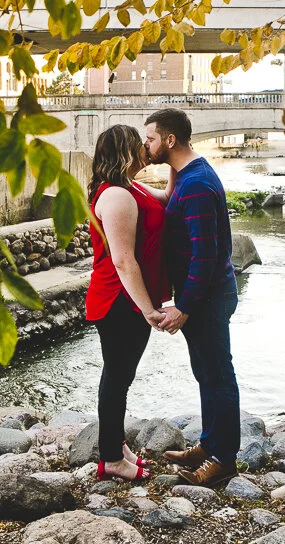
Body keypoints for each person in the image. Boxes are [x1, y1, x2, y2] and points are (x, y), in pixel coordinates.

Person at [143, 108, 241, 487]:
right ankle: (209, 444)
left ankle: (225, 459)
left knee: (218, 375)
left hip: (207, 298)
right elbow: (168, 197)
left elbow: (207, 255)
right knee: (206, 373)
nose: (145, 145)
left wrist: (184, 307)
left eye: (150, 138)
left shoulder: (197, 184)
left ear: (169, 140)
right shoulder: (187, 174)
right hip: (202, 297)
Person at [85, 124, 174, 482]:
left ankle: (116, 445)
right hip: (120, 299)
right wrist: (149, 309)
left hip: (128, 299)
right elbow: (123, 260)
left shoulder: (131, 187)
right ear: (125, 151)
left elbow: (165, 199)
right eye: (140, 144)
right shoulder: (117, 196)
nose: (144, 149)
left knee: (121, 375)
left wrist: (175, 158)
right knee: (117, 377)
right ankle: (110, 459)